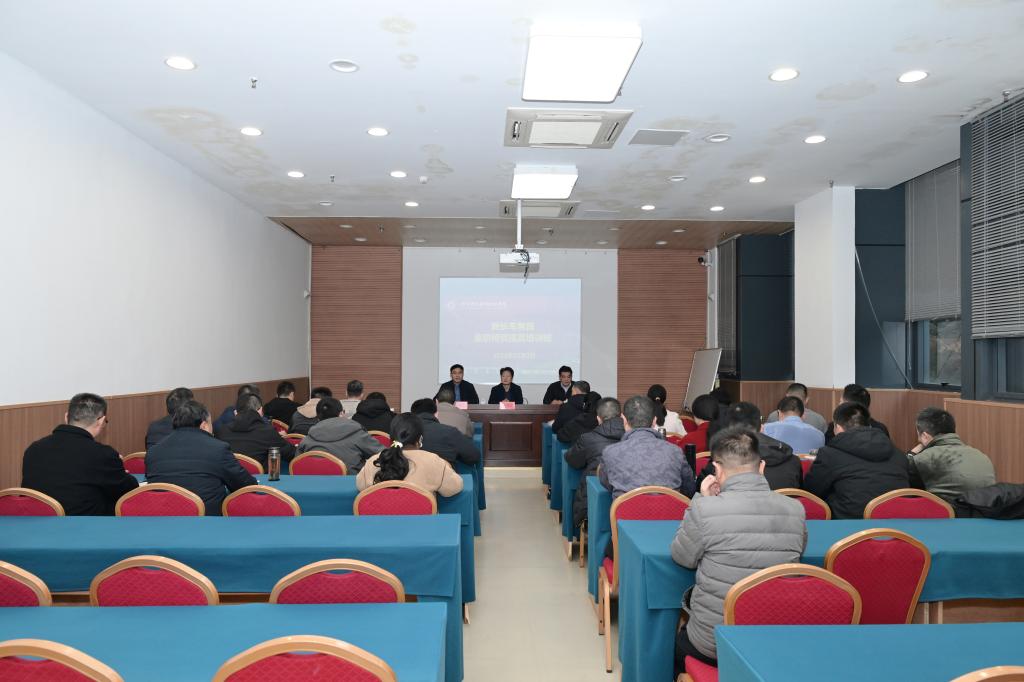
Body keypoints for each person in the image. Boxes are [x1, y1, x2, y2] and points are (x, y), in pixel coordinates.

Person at [670, 427, 806, 673]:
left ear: (717, 469)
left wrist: (701, 499)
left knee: (678, 642)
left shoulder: (705, 509)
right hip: (774, 639)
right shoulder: (795, 509)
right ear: (761, 467)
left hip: (716, 643)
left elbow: (682, 557)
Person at [21, 393, 139, 515]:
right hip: (85, 524)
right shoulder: (102, 454)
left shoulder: (33, 449)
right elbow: (130, 490)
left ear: (66, 417)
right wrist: (119, 470)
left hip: (37, 522)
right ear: (101, 421)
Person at [145, 400, 255, 515]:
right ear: (204, 426)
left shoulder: (153, 452)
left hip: (164, 521)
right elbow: (246, 486)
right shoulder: (218, 449)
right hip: (206, 522)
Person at [804, 402, 909, 519]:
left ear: (837, 427)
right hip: (896, 524)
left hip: (846, 525)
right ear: (869, 425)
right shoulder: (898, 454)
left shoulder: (829, 455)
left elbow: (811, 492)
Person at [599, 395, 696, 501]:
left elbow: (608, 485)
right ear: (654, 421)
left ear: (624, 420)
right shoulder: (675, 451)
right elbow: (689, 489)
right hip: (671, 511)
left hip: (626, 511)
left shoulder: (610, 452)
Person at [696, 402, 802, 490]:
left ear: (729, 430)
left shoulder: (721, 460)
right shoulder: (792, 461)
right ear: (762, 428)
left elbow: (701, 488)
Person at [357, 413, 464, 496]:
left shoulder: (375, 460)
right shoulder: (433, 460)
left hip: (380, 518)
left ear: (391, 437)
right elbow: (454, 488)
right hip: (422, 518)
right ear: (420, 439)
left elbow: (360, 485)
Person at [908, 407, 996, 501]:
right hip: (985, 508)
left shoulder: (925, 458)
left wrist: (912, 453)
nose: (919, 440)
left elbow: (902, 474)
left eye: (919, 436)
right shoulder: (981, 455)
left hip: (951, 509)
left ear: (925, 436)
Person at [565, 397, 624, 528]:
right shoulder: (633, 438)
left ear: (598, 418)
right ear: (621, 416)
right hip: (627, 504)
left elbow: (572, 460)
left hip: (593, 502)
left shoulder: (588, 438)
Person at [298, 397, 384, 473]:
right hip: (350, 484)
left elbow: (297, 464)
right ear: (341, 413)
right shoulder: (357, 433)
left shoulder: (307, 440)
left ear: (317, 418)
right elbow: (383, 454)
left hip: (312, 484)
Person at [214, 393, 295, 470]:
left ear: (236, 413)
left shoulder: (221, 431)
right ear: (261, 411)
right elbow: (291, 454)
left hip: (230, 478)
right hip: (260, 479)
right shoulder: (267, 431)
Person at [410, 398, 481, 467]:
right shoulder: (450, 432)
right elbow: (474, 456)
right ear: (436, 414)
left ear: (412, 415)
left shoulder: (406, 432)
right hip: (443, 474)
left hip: (412, 474)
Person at [824, 384, 891, 444]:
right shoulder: (881, 429)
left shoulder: (834, 428)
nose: (839, 405)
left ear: (848, 407)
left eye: (841, 402)